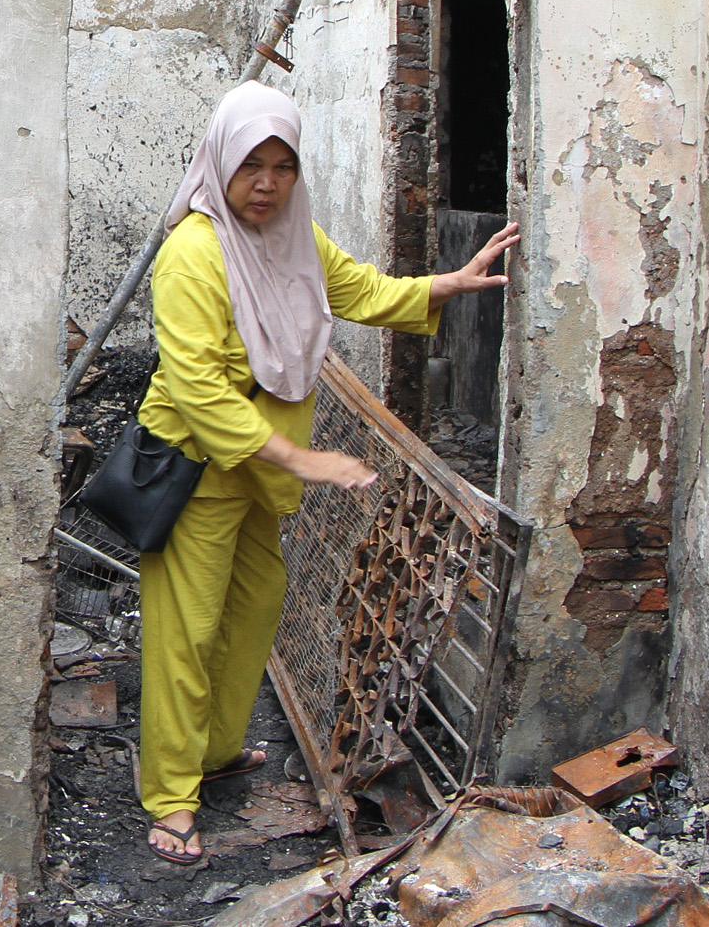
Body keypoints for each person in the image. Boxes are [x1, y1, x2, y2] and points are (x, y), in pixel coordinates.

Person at [135, 80, 518, 864]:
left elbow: (361, 289)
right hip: (196, 468)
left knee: (251, 611)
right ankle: (171, 795)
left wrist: (449, 282)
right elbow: (199, 388)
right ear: (219, 164)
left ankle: (213, 750)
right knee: (186, 629)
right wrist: (303, 458)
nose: (267, 183)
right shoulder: (193, 253)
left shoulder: (295, 238)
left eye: (282, 165)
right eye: (251, 166)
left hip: (262, 476)